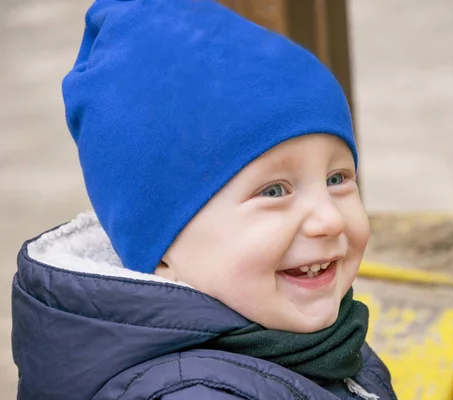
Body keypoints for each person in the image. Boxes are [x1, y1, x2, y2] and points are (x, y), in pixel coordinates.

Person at [11, 1, 396, 399]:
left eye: (337, 179)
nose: (329, 220)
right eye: (274, 191)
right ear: (162, 251)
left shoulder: (309, 339)